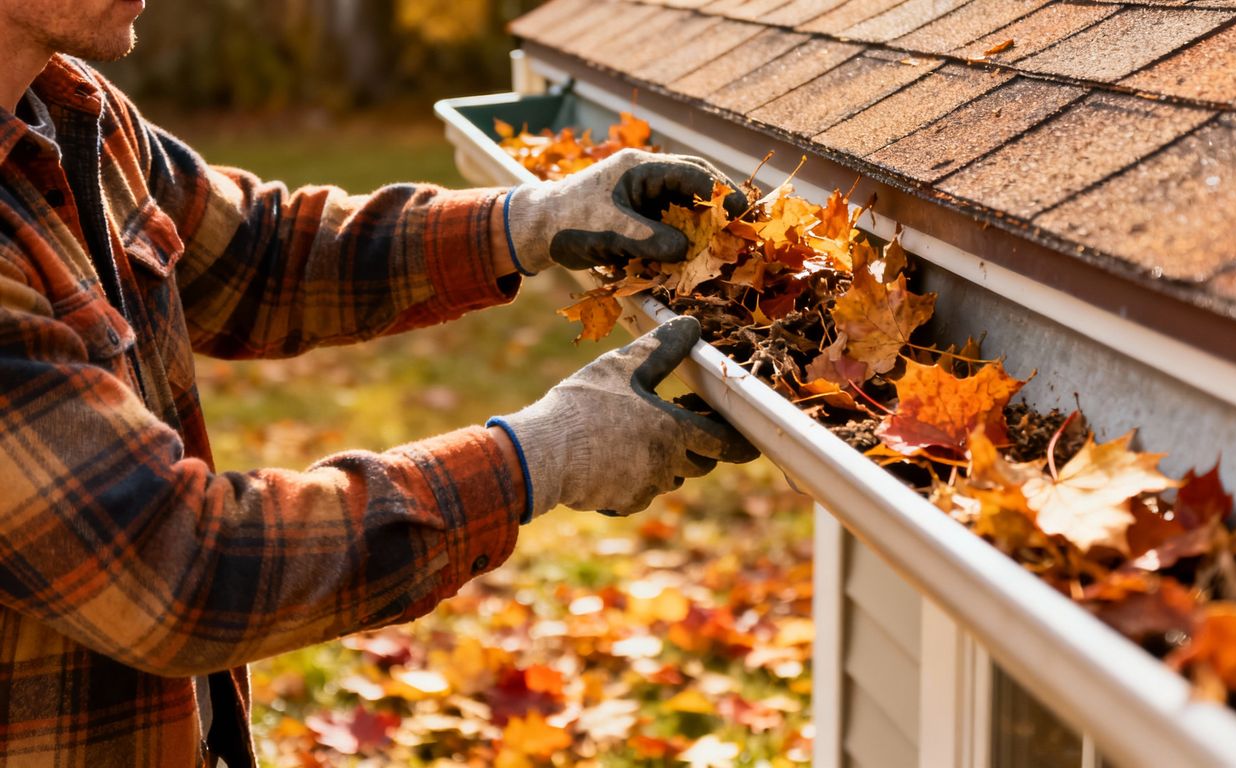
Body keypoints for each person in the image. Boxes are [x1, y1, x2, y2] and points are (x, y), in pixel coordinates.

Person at [0, 1, 757, 765]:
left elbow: (258, 256)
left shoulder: (67, 108)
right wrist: (541, 456)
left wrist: (526, 220)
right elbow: (172, 570)